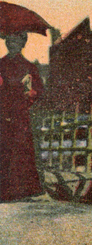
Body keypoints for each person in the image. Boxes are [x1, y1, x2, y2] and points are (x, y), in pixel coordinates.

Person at [0, 32, 46, 202]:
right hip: (2, 113)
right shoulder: (0, 64)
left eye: (17, 40)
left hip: (21, 114)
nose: (13, 44)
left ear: (23, 43)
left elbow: (39, 91)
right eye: (10, 40)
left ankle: (23, 190)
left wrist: (32, 92)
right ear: (6, 42)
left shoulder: (29, 67)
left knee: (22, 150)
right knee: (3, 149)